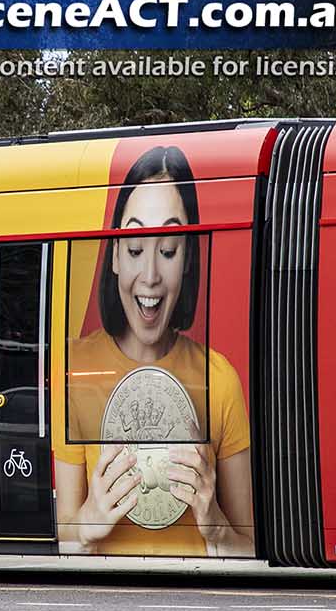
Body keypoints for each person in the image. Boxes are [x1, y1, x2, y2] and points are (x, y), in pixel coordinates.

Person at [54, 145, 253, 558]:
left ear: (188, 259)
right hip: (104, 606)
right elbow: (59, 539)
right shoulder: (74, 371)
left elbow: (251, 551)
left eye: (167, 251)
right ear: (113, 257)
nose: (149, 276)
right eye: (133, 248)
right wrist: (88, 522)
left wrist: (217, 527)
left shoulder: (219, 379)